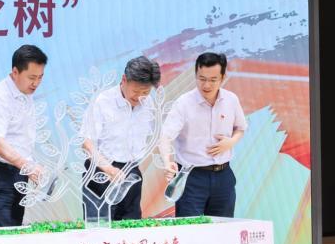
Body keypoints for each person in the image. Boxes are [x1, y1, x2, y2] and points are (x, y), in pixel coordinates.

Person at [160, 52, 247, 217]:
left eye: (213, 80)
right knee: (190, 228)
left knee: (223, 227)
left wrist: (231, 142)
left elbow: (240, 128)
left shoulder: (231, 100)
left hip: (224, 176)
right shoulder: (184, 103)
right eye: (202, 79)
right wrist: (167, 161)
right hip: (191, 178)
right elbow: (165, 136)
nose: (206, 85)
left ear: (223, 77)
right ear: (195, 75)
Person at [0, 45, 47, 228]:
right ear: (15, 72)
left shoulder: (25, 93)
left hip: (17, 174)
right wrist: (28, 166)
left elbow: (20, 140)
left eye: (40, 77)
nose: (36, 83)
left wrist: (30, 167)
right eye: (32, 77)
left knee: (13, 234)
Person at [80, 56, 161, 221]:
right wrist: (109, 169)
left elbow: (158, 136)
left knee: (131, 224)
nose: (139, 97)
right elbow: (87, 143)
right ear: (124, 80)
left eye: (145, 93)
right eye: (136, 91)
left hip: (131, 171)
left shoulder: (149, 104)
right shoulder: (103, 101)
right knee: (99, 226)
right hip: (101, 171)